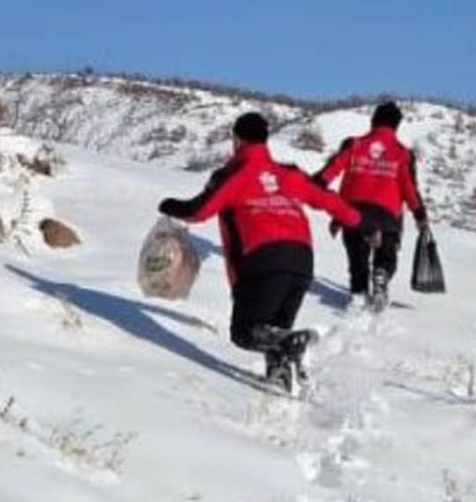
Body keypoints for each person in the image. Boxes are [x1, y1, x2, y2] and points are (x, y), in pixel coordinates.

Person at [158, 112, 368, 391]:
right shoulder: (289, 174)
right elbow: (327, 199)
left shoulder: (233, 175)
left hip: (262, 260)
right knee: (276, 334)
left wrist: (168, 205)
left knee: (245, 332)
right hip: (301, 262)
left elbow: (199, 210)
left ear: (237, 140)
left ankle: (286, 350)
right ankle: (280, 385)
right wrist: (359, 221)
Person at [314, 101, 428, 311]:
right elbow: (409, 189)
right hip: (387, 216)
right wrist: (420, 215)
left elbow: (331, 170)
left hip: (353, 212)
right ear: (396, 126)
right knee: (386, 256)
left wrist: (313, 185)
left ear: (374, 120)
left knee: (357, 261)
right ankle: (381, 274)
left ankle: (359, 295)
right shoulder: (403, 154)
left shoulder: (354, 144)